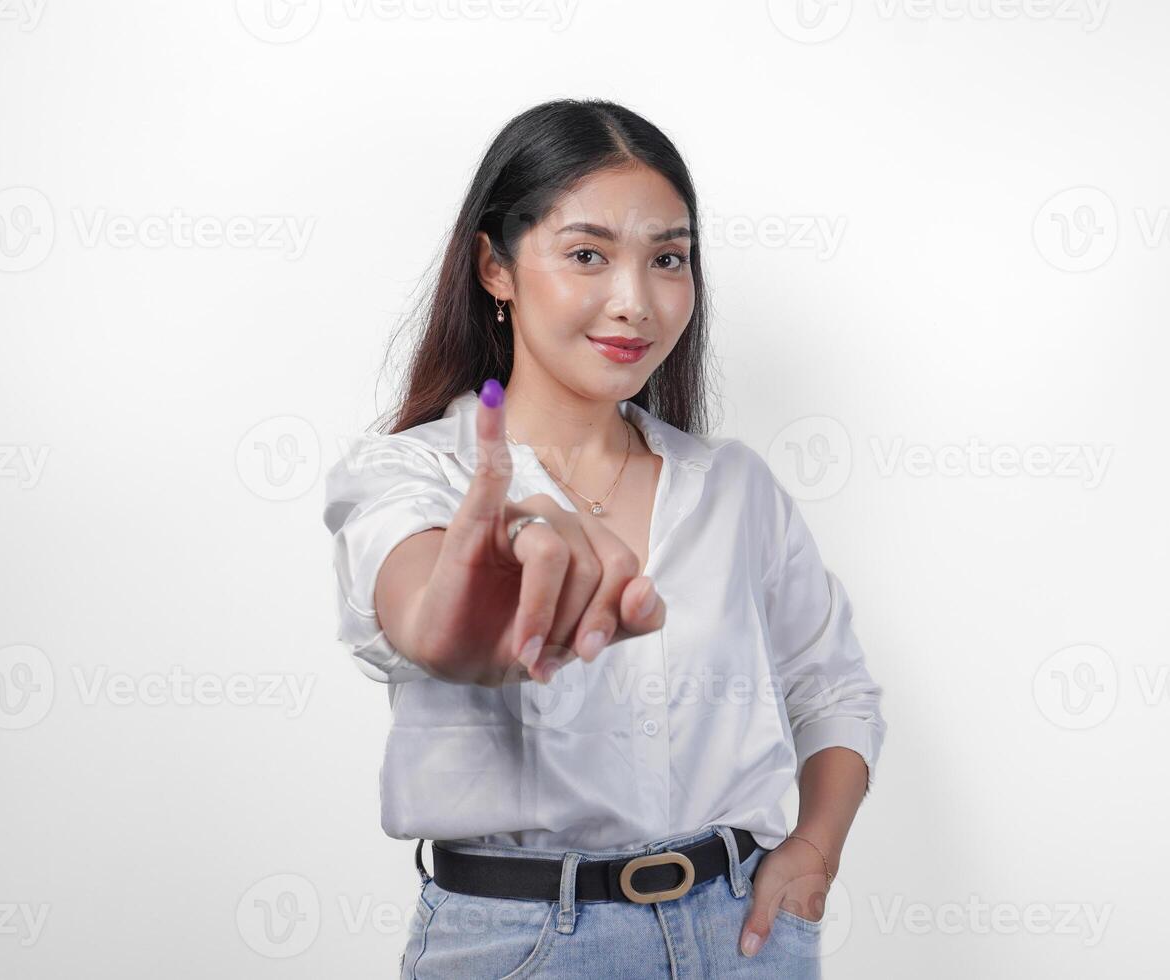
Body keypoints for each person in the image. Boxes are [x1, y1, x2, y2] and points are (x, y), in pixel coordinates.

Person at [322, 98, 886, 979]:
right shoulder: (415, 477)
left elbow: (835, 690)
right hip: (520, 947)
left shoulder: (736, 488)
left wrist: (814, 852)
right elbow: (422, 606)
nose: (635, 302)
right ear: (495, 267)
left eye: (668, 259)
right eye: (587, 254)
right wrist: (468, 624)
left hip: (742, 939)